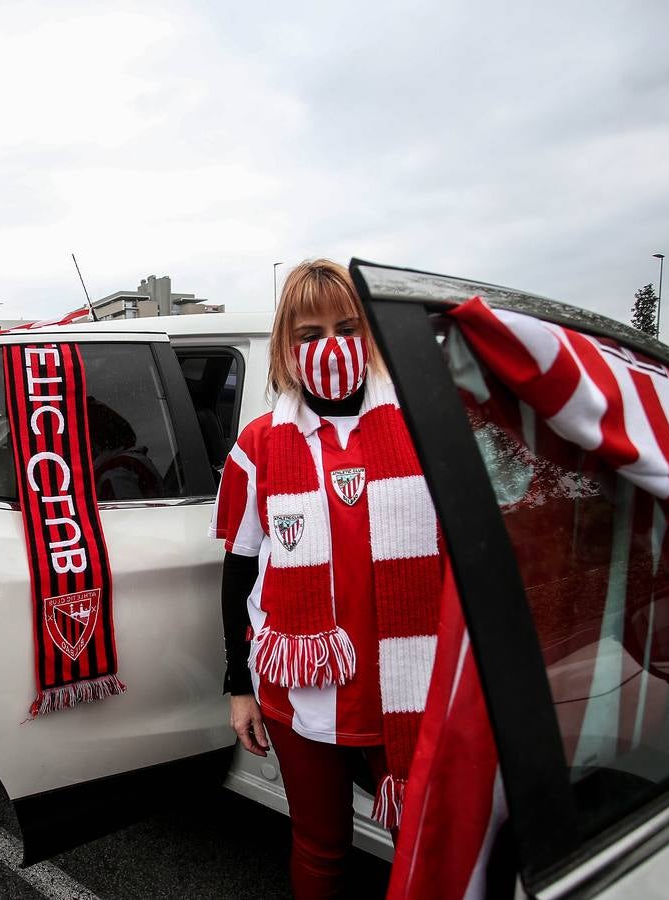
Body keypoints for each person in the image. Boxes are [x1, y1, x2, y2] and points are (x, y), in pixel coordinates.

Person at [209, 260, 447, 899]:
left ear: (368, 336)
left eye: (346, 327)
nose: (330, 345)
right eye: (309, 333)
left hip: (408, 684)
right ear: (287, 348)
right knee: (320, 848)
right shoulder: (257, 446)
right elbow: (239, 574)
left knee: (424, 846)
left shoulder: (426, 429)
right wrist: (239, 687)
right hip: (301, 690)